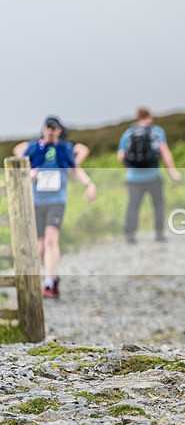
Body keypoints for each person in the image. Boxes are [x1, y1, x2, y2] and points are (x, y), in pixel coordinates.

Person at [22, 116, 96, 299]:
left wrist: (89, 184)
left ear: (59, 131)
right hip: (36, 202)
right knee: (39, 247)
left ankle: (47, 283)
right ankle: (52, 276)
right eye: (47, 127)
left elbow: (75, 169)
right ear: (43, 128)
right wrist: (28, 174)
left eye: (53, 129)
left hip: (56, 201)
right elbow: (20, 167)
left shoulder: (64, 149)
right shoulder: (33, 148)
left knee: (51, 240)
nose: (49, 131)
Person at [117, 107, 181, 244]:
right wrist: (173, 173)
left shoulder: (128, 133)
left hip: (133, 177)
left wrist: (129, 168)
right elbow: (165, 153)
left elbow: (120, 156)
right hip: (153, 175)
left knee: (133, 206)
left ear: (137, 118)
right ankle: (159, 234)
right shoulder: (157, 132)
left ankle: (130, 235)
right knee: (158, 204)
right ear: (149, 117)